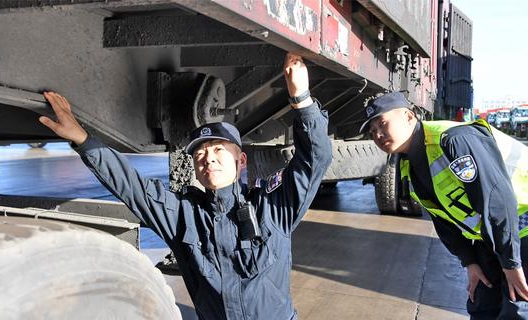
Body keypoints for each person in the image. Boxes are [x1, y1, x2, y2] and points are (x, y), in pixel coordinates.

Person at [38, 53, 332, 320]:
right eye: (200, 154)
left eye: (218, 150)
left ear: (241, 160)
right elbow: (130, 185)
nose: (209, 159)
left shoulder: (273, 208)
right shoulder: (182, 215)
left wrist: (302, 100)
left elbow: (315, 158)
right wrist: (82, 139)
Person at [359, 91, 528, 319]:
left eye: (382, 123)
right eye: (372, 132)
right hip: (494, 235)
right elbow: (443, 219)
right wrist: (470, 261)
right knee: (482, 304)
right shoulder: (411, 166)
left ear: (409, 116)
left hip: (518, 227)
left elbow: (497, 200)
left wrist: (511, 262)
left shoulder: (453, 140)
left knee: (517, 309)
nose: (378, 134)